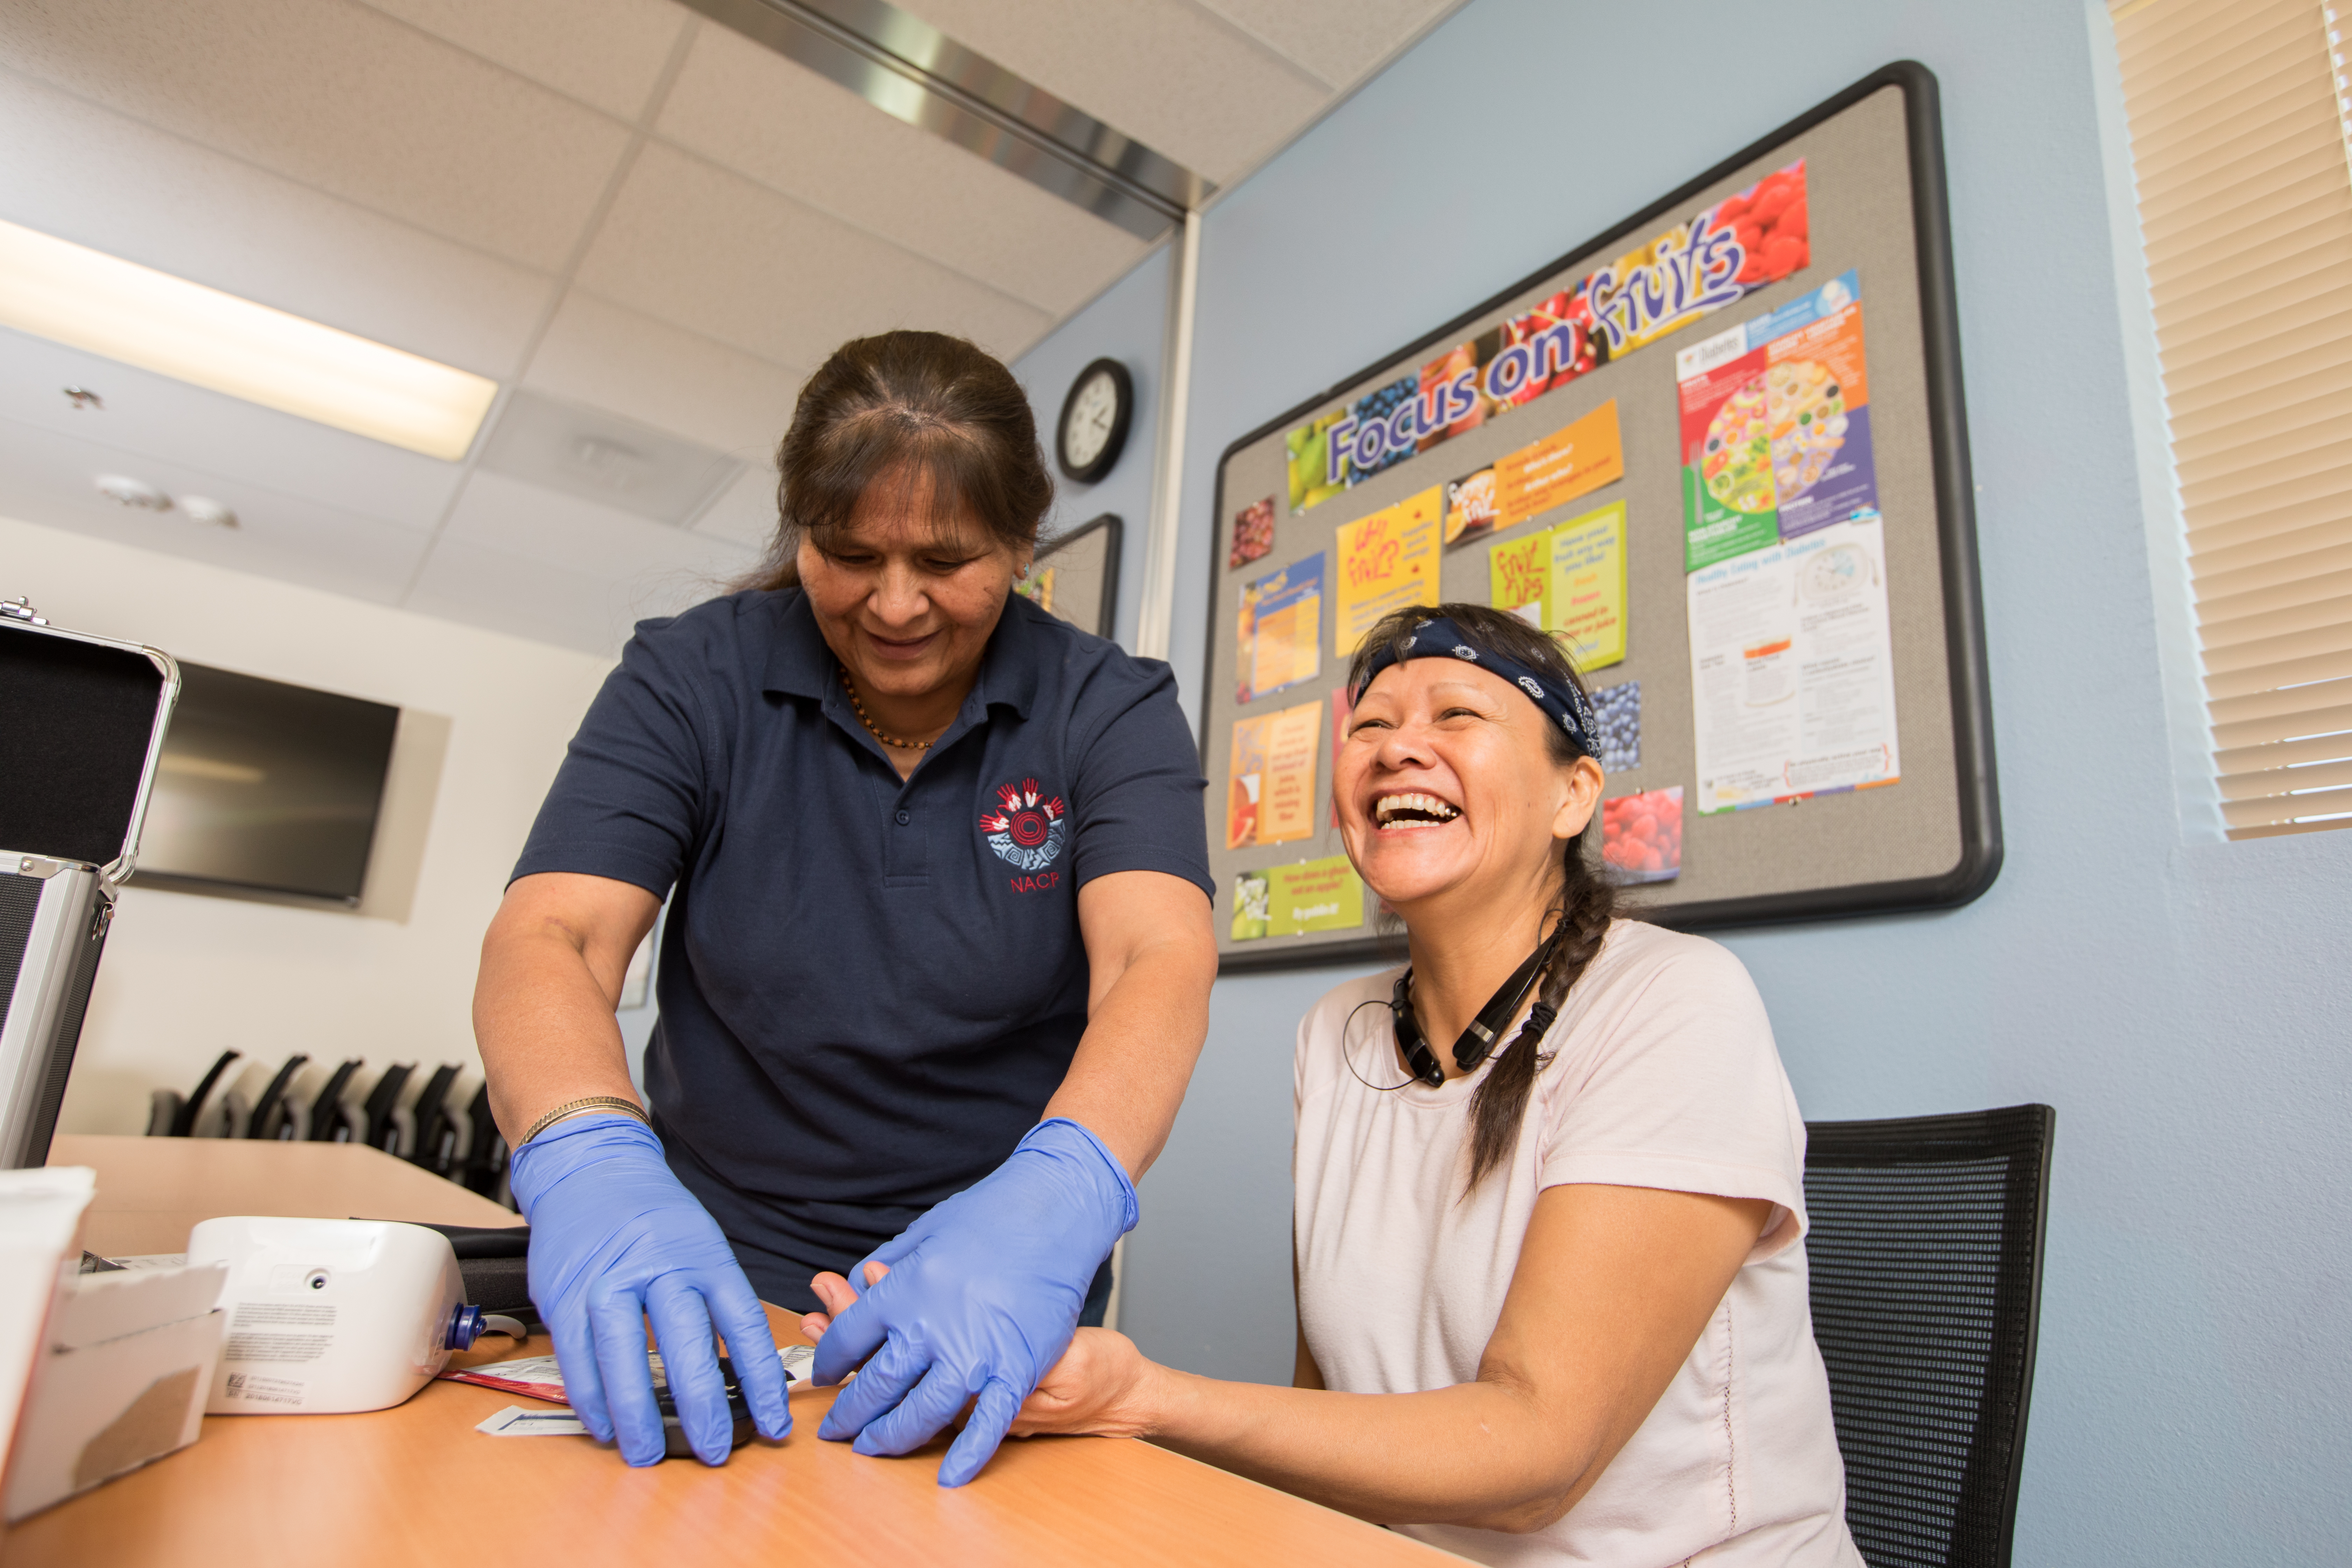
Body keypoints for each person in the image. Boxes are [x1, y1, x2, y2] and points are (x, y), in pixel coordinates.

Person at [811, 603, 1860, 1562]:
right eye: (1370, 726)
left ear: (1573, 793)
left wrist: (1145, 1396)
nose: (1401, 745)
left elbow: (1537, 1452)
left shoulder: (1676, 1000)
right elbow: (1337, 1413)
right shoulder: (1338, 1035)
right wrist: (1031, 1376)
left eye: (1458, 713)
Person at [472, 331, 1217, 1484]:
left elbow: (1155, 958)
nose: (897, 604)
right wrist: (587, 1159)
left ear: (1024, 544)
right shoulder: (694, 677)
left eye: (948, 559)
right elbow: (555, 935)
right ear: (798, 528)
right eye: (850, 553)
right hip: (711, 1248)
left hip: (990, 1261)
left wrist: (1062, 1193)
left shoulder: (1106, 709)